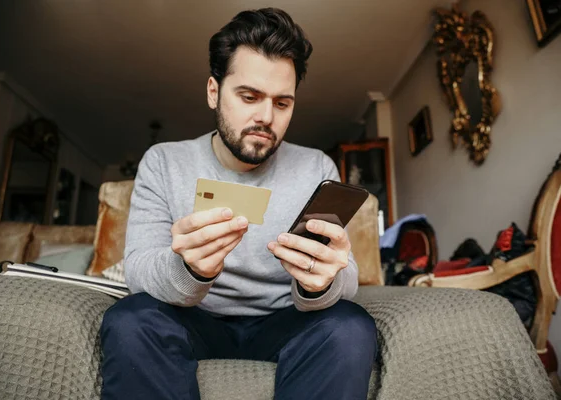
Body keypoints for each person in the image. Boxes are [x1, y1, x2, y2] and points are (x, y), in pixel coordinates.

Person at [100, 7, 377, 400]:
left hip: (284, 321)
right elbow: (139, 272)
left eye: (282, 103)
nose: (266, 117)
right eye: (249, 97)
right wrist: (189, 269)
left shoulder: (317, 166)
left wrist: (322, 283)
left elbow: (344, 277)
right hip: (193, 319)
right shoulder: (164, 162)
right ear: (214, 91)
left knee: (350, 326)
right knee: (129, 321)